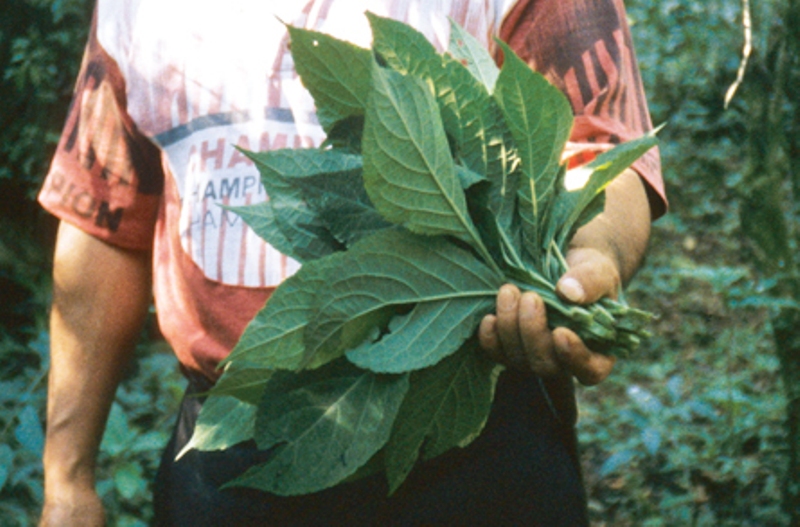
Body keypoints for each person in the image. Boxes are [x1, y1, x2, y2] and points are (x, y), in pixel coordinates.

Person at [37, 0, 666, 525]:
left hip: (472, 434)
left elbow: (596, 152)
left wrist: (589, 256)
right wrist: (66, 477)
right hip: (237, 442)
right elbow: (106, 215)